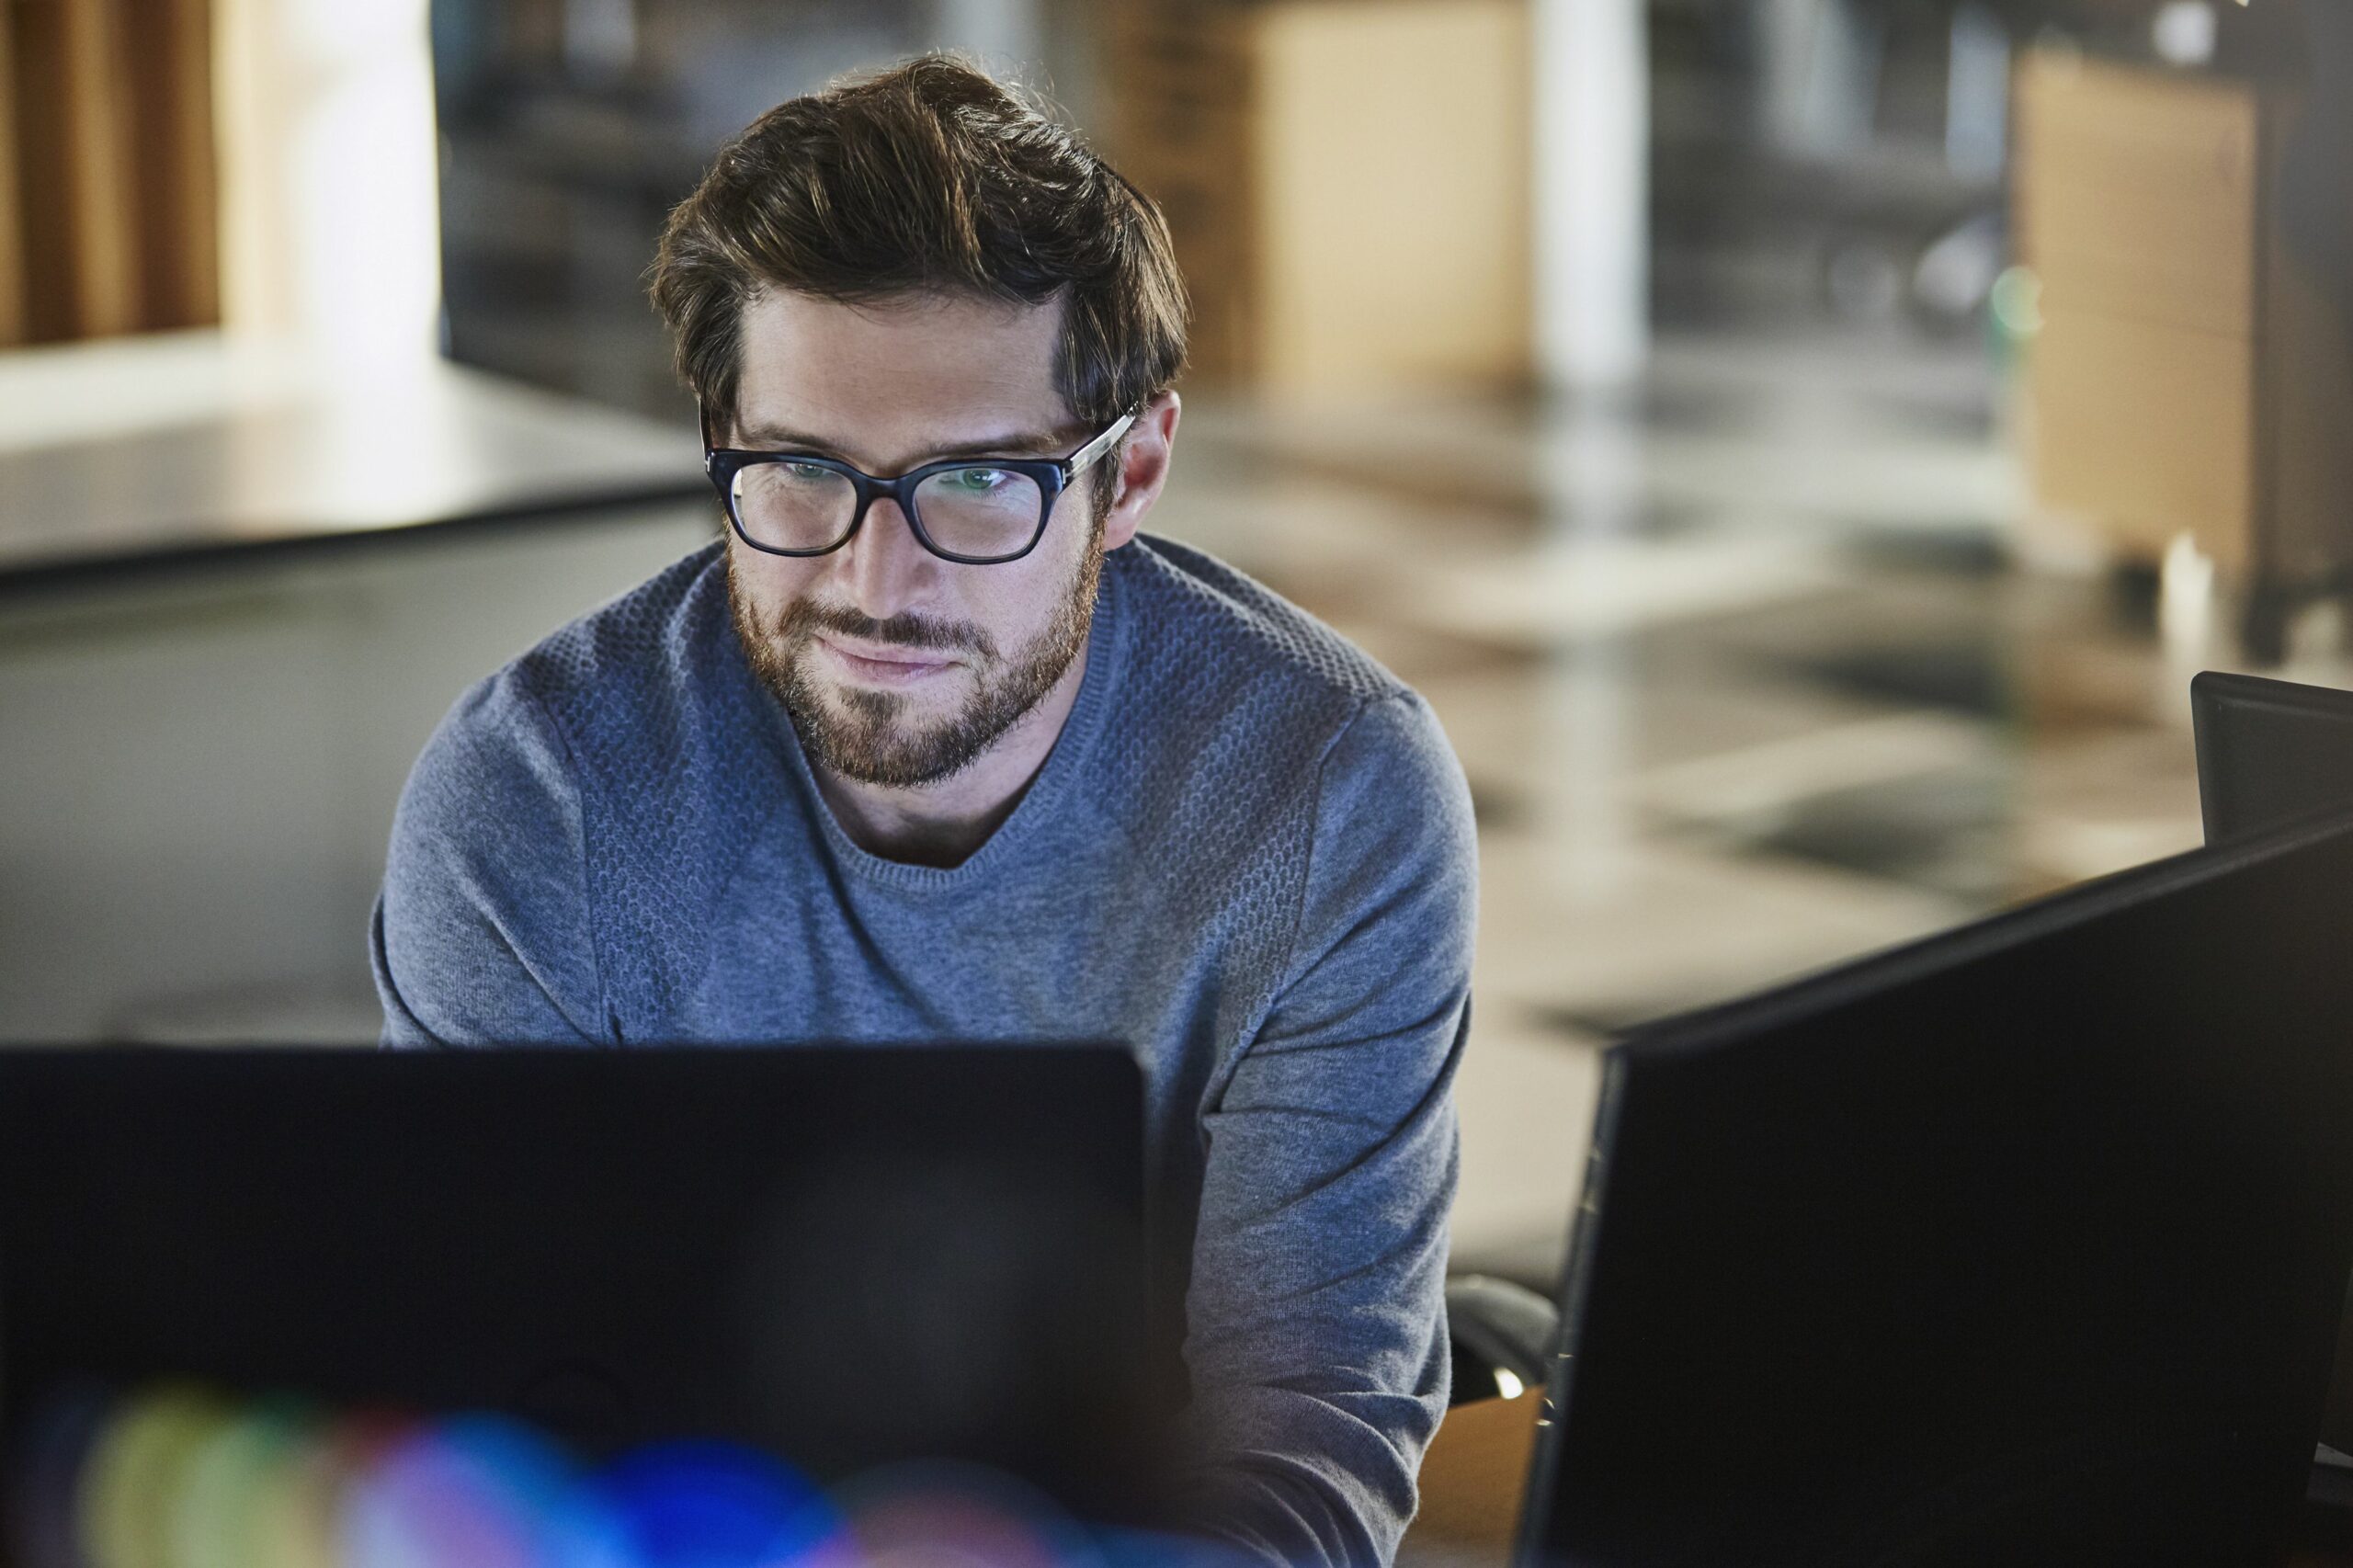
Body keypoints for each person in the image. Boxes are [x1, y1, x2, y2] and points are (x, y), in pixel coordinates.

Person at [371, 54, 1475, 1567]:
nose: (874, 584)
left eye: (971, 483)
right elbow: (493, 1434)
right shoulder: (540, 802)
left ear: (1132, 468)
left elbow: (1299, 1437)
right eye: (804, 471)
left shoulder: (1327, 794)